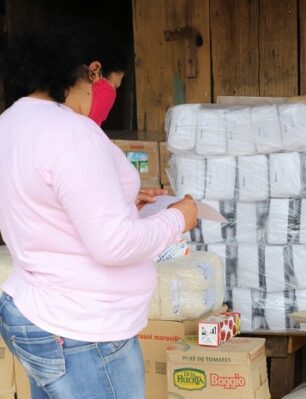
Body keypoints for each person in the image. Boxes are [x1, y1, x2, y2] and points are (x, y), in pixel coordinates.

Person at [0, 21, 198, 399]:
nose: (112, 99)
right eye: (115, 87)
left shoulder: (11, 122)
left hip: (36, 313)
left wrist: (122, 201)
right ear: (93, 71)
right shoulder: (74, 134)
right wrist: (179, 217)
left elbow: (40, 204)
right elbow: (115, 245)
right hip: (83, 332)